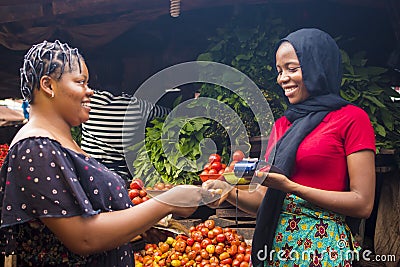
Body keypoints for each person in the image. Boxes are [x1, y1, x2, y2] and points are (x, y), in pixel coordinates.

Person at [0, 40, 204, 266]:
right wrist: (167, 202)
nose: (90, 91)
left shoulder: (59, 142)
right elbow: (84, 238)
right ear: (48, 85)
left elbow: (87, 217)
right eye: (81, 82)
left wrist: (138, 225)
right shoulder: (36, 147)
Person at [202, 28, 376, 267]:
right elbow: (265, 200)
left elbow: (363, 203)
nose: (282, 78)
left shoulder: (351, 119)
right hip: (276, 247)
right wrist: (226, 191)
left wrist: (292, 187)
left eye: (292, 69)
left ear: (318, 66)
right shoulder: (283, 125)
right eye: (279, 71)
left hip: (322, 249)